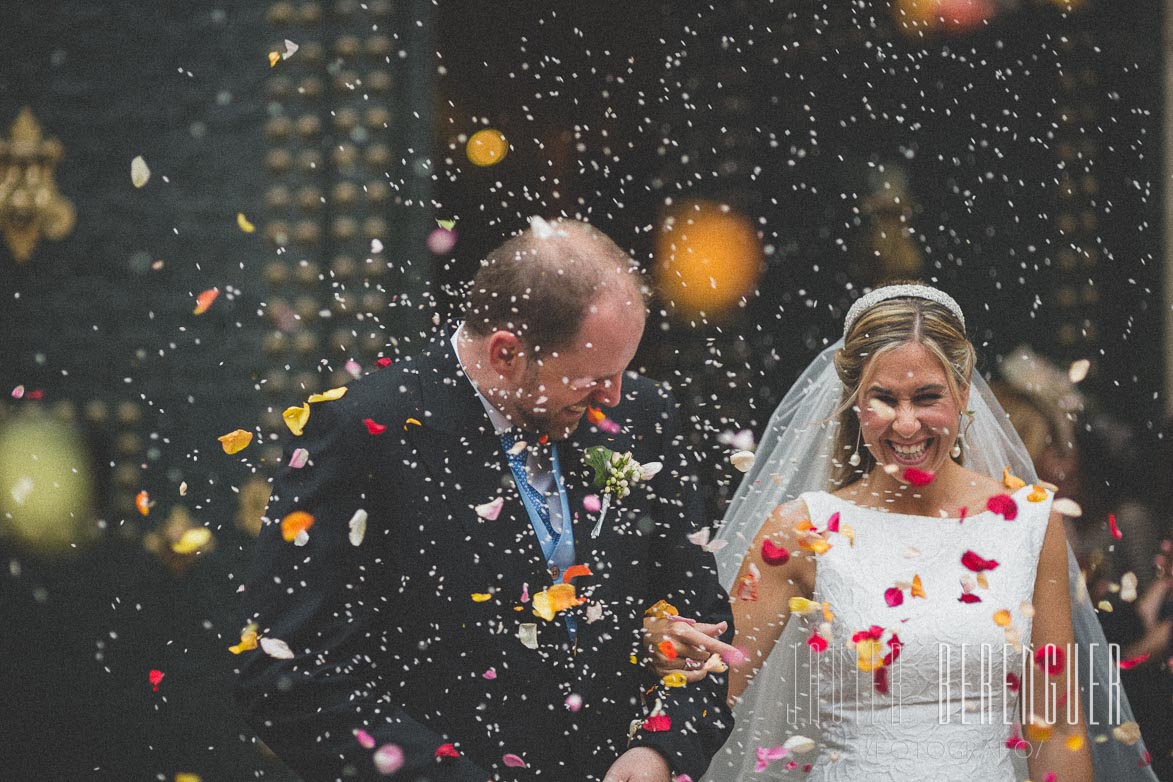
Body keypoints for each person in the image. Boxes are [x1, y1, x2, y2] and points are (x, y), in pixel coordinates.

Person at [235, 218, 735, 781]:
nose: (613, 395)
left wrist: (660, 752)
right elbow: (288, 673)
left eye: (620, 373)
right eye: (591, 378)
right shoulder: (364, 430)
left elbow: (704, 626)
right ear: (505, 354)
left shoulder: (642, 417)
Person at [644, 283, 1160, 781]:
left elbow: (1056, 725)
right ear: (854, 401)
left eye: (927, 396)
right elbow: (709, 685)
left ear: (962, 392)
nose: (907, 424)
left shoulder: (1029, 520)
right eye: (885, 398)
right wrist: (657, 641)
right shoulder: (802, 529)